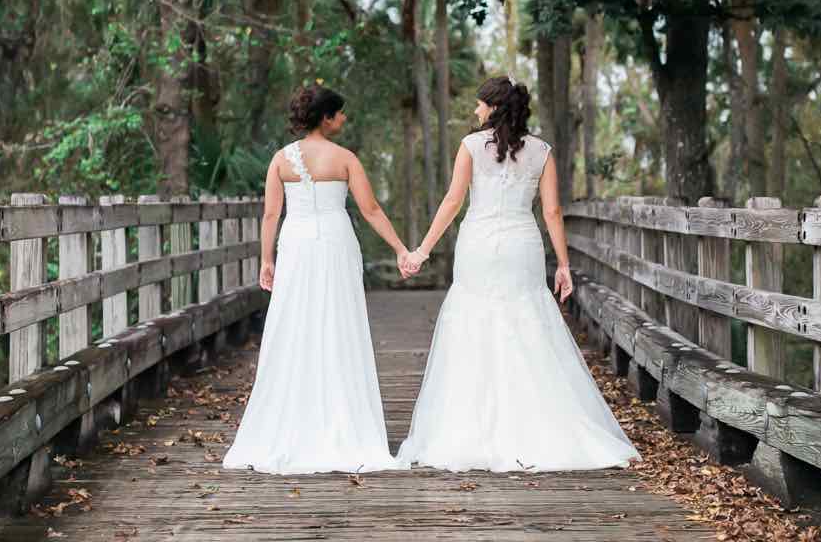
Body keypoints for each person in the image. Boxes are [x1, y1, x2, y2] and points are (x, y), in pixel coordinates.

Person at [395, 76, 640, 472]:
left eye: (479, 104)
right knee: (527, 323)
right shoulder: (542, 151)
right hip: (521, 245)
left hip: (478, 245)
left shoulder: (472, 146)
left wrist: (422, 250)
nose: (475, 111)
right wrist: (563, 264)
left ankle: (469, 429)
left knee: (474, 321)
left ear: (493, 107)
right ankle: (538, 425)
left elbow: (453, 200)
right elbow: (552, 213)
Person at [222, 85, 410, 474]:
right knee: (337, 324)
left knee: (296, 324)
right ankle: (342, 422)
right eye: (339, 114)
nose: (343, 120)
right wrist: (399, 248)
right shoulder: (344, 159)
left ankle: (293, 421)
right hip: (335, 242)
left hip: (297, 243)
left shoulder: (280, 159)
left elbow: (271, 215)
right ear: (326, 118)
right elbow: (371, 209)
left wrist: (266, 259)